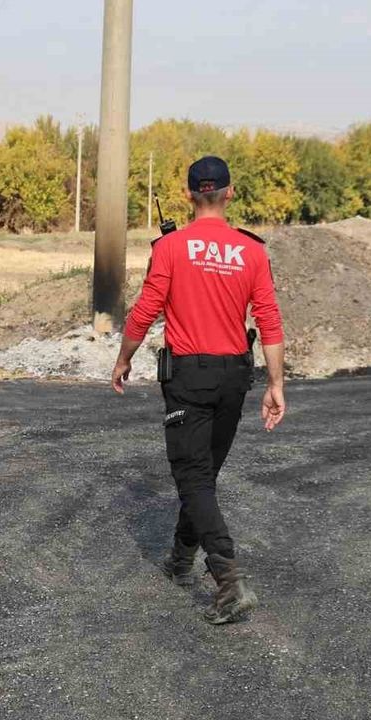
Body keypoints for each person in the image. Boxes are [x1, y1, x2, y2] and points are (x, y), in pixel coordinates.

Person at [111, 155, 286, 625]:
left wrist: (124, 358)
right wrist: (275, 382)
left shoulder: (170, 248)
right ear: (229, 193)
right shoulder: (252, 251)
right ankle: (181, 560)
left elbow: (147, 308)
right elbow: (268, 319)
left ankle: (229, 582)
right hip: (236, 376)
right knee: (203, 474)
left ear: (190, 195)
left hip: (188, 376)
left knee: (193, 478)